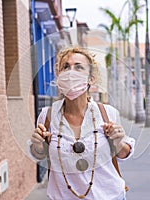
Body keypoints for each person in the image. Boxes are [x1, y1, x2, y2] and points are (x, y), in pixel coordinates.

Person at [29, 46, 135, 200]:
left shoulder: (107, 113)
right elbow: (39, 155)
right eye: (66, 67)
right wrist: (38, 145)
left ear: (91, 78)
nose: (71, 72)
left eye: (78, 67)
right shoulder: (47, 116)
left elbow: (123, 153)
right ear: (59, 77)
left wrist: (118, 141)